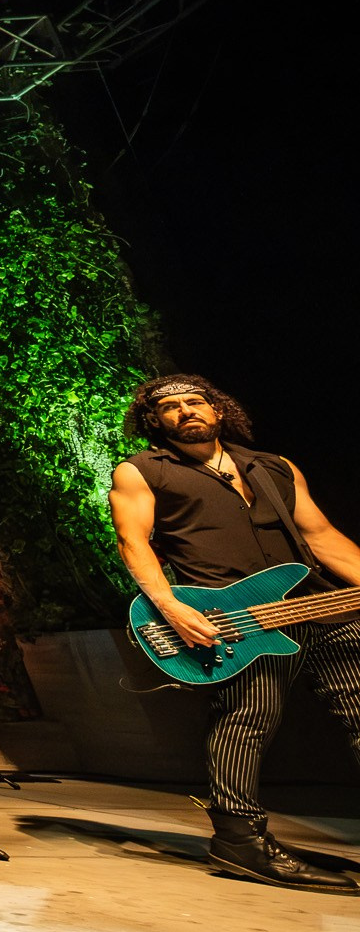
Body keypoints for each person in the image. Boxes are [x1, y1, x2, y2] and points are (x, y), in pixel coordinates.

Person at [109, 374, 360, 893]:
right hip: (238, 619)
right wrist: (169, 605)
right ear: (154, 422)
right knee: (248, 717)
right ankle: (239, 839)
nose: (185, 411)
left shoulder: (273, 468)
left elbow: (322, 537)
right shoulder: (142, 472)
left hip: (316, 604)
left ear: (218, 410)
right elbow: (134, 542)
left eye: (194, 401)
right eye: (171, 407)